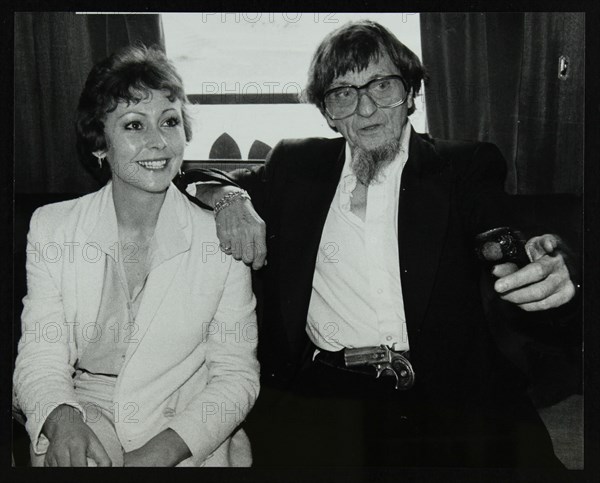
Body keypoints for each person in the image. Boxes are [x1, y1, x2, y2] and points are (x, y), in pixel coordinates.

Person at [181, 20, 579, 467]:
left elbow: (507, 236)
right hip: (327, 394)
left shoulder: (463, 166)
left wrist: (554, 263)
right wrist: (231, 198)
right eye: (343, 93)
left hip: (447, 395)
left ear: (410, 93)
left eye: (382, 85)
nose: (366, 109)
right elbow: (196, 180)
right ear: (328, 112)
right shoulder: (298, 164)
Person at [13, 44, 259, 467]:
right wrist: (60, 417)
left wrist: (160, 452)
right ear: (99, 144)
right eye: (133, 125)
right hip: (86, 408)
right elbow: (41, 353)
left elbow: (236, 376)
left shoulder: (222, 238)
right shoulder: (53, 228)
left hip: (183, 421)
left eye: (169, 122)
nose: (158, 142)